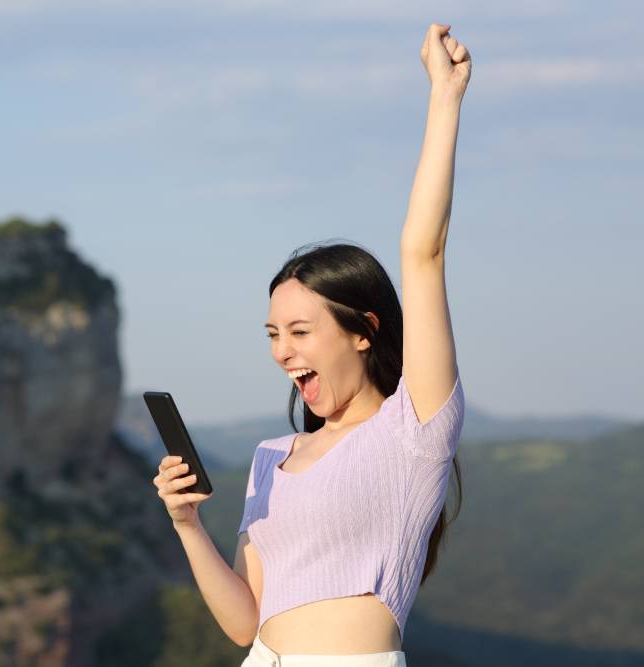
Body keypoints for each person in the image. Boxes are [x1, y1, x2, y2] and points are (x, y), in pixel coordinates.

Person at [153, 22, 472, 666]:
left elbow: (423, 251)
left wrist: (445, 95)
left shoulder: (412, 431)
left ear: (363, 332)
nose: (282, 351)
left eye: (301, 332)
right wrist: (186, 525)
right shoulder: (272, 455)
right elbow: (246, 622)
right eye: (274, 334)